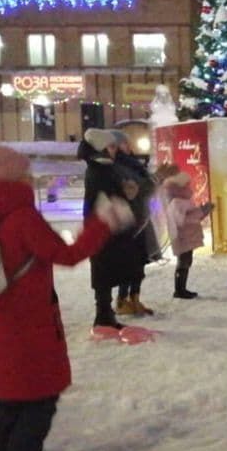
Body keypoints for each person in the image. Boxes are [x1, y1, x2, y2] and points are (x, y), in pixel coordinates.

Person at [0, 144, 133, 451]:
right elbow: (66, 255)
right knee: (40, 396)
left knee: (11, 396)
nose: (30, 177)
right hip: (25, 321)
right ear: (6, 177)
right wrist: (104, 223)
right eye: (23, 172)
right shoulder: (21, 217)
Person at [80, 128, 145, 328]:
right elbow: (102, 197)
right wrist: (125, 194)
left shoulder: (104, 167)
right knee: (103, 271)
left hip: (108, 228)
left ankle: (106, 313)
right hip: (102, 227)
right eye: (112, 146)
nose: (115, 150)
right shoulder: (97, 169)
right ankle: (103, 315)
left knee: (109, 270)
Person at [110, 130, 158, 316]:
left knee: (138, 263)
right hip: (130, 221)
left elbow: (143, 187)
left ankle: (134, 298)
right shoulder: (119, 166)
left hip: (140, 218)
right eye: (124, 143)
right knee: (129, 264)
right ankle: (123, 301)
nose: (127, 147)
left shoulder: (133, 165)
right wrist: (151, 182)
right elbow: (136, 190)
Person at [163, 172, 213, 299]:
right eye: (186, 185)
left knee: (186, 261)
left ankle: (181, 288)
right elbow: (182, 221)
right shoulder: (176, 203)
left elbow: (192, 217)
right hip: (182, 238)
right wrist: (201, 211)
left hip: (187, 237)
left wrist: (203, 211)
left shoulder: (182, 201)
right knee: (183, 262)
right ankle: (179, 290)